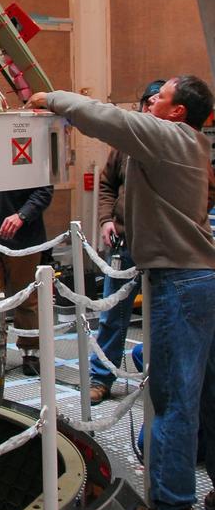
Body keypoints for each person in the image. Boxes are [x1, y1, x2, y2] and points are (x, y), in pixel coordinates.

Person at [28, 77, 215, 510]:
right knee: (207, 396)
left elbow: (106, 118)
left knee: (173, 401)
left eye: (161, 97)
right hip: (200, 278)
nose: (151, 102)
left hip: (178, 283)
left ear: (178, 112)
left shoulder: (169, 136)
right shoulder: (190, 143)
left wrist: (52, 99)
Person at [89, 80, 165, 405]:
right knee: (112, 314)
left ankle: (156, 374)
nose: (152, 106)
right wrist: (106, 220)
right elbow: (107, 184)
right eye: (150, 101)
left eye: (160, 100)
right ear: (144, 105)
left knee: (163, 315)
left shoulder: (176, 143)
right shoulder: (125, 144)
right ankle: (100, 378)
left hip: (163, 248)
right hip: (125, 244)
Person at [0, 184, 53, 376]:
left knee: (26, 298)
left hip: (24, 238)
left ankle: (31, 353)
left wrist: (22, 215)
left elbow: (44, 190)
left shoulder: (31, 163)